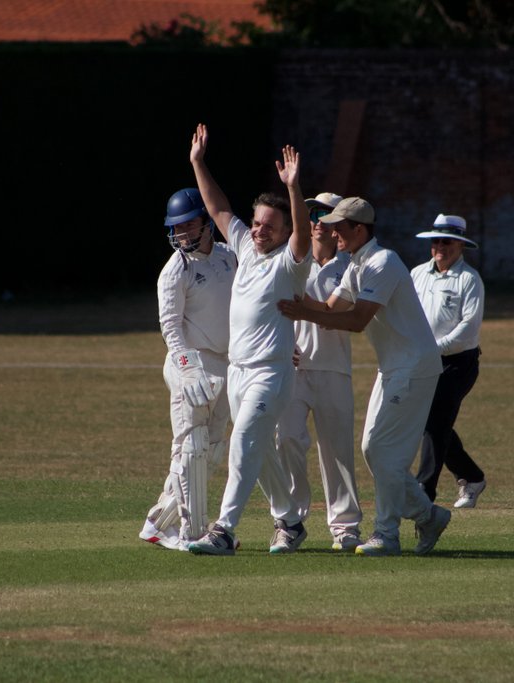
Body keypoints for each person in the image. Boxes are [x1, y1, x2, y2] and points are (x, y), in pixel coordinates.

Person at [278, 197, 450, 557]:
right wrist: (277, 295)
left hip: (415, 367)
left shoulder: (383, 262)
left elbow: (356, 322)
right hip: (392, 367)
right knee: (373, 450)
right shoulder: (357, 264)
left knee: (381, 451)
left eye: (340, 227)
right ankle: (427, 515)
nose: (333, 231)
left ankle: (387, 534)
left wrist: (302, 313)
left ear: (359, 229)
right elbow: (327, 308)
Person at [185, 123, 313, 556]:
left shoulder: (289, 264)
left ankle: (223, 530)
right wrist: (198, 162)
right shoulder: (244, 245)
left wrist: (294, 190)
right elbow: (218, 209)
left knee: (243, 442)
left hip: (271, 374)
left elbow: (299, 234)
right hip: (238, 372)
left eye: (268, 226)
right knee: (259, 454)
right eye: (257, 223)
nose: (259, 230)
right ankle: (291, 522)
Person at [138, 188, 237, 551]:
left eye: (188, 224)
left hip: (226, 363)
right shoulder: (175, 270)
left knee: (210, 452)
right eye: (175, 228)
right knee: (191, 447)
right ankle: (193, 532)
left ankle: (156, 523)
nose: (181, 234)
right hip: (190, 362)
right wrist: (188, 368)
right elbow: (170, 327)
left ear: (207, 222)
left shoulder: (229, 257)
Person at [275, 191, 364, 552]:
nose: (315, 221)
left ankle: (345, 528)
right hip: (292, 369)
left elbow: (341, 314)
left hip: (333, 369)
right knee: (286, 440)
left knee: (337, 451)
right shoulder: (293, 262)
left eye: (324, 214)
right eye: (312, 213)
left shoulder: (351, 268)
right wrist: (282, 345)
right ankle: (290, 522)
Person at [411, 214, 486, 508]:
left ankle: (423, 489)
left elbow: (468, 328)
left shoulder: (469, 279)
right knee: (426, 422)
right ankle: (472, 476)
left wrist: (435, 347)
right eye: (436, 241)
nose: (440, 246)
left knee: (436, 421)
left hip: (457, 363)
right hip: (422, 360)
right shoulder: (417, 274)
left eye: (447, 241)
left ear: (460, 245)